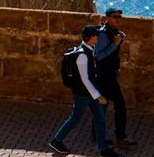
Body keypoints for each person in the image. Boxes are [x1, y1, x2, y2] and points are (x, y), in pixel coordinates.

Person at [48, 25, 124, 157]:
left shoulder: (89, 50)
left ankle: (103, 149)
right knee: (75, 118)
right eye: (96, 36)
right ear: (92, 37)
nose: (98, 39)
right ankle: (56, 141)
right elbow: (85, 79)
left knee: (100, 119)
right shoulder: (82, 55)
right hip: (83, 95)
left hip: (90, 93)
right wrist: (98, 96)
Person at [95, 7, 137, 149]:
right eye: (115, 16)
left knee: (103, 105)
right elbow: (99, 56)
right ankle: (121, 137)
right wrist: (115, 44)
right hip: (104, 76)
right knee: (120, 104)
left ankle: (96, 134)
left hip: (109, 74)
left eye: (120, 17)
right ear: (107, 18)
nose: (118, 19)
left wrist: (118, 39)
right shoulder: (102, 34)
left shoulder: (113, 31)